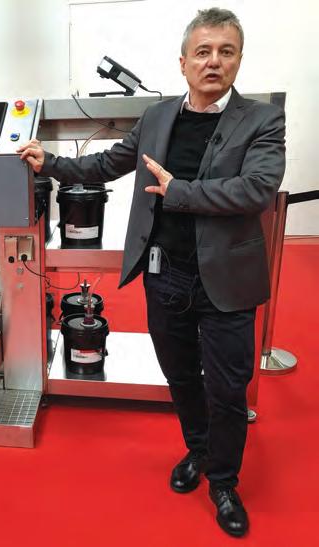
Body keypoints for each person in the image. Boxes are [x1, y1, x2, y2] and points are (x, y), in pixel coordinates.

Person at [17, 7, 286, 538]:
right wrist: (52, 163)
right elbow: (107, 165)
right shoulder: (158, 116)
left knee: (228, 388)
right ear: (183, 62)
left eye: (226, 52)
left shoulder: (262, 120)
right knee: (180, 375)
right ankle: (199, 450)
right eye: (203, 52)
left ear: (238, 60)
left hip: (226, 279)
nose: (213, 62)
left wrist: (180, 191)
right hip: (165, 274)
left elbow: (257, 190)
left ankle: (224, 483)